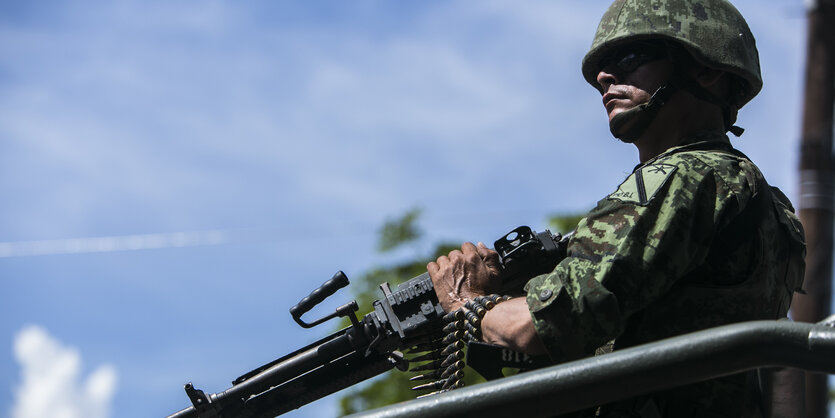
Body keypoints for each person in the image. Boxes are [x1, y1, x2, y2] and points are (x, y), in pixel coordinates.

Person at [427, 0, 806, 416]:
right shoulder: (759, 197)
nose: (605, 77)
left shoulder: (685, 177)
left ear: (707, 69)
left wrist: (467, 303)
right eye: (599, 71)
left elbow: (536, 326)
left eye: (630, 57)